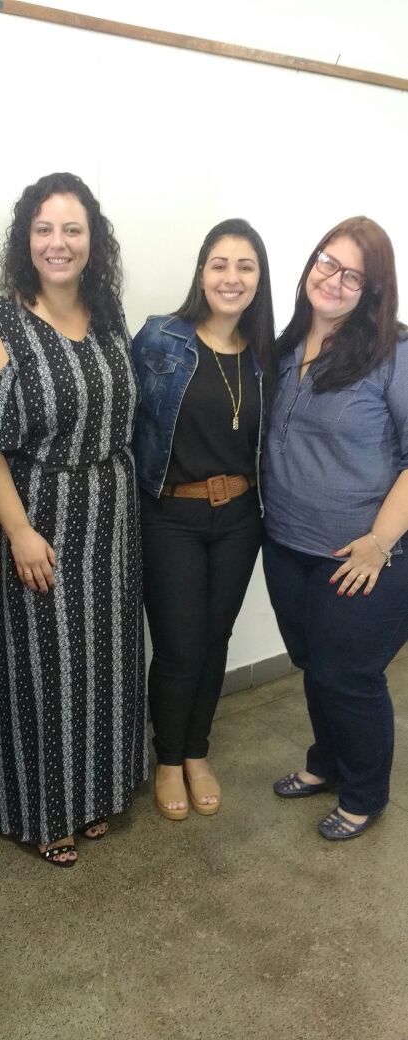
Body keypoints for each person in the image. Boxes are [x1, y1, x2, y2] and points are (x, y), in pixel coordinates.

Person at [0, 172, 146, 867]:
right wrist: (17, 531)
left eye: (72, 229)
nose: (58, 242)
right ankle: (42, 811)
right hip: (37, 519)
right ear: (25, 239)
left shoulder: (108, 317)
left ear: (93, 240)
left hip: (110, 518)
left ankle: (96, 794)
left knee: (104, 663)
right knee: (43, 670)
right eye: (44, 229)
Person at [263, 216, 408, 841]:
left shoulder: (394, 353)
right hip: (287, 543)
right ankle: (326, 762)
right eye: (328, 262)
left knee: (348, 676)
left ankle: (365, 792)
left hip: (361, 552)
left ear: (372, 290)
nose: (335, 280)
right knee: (314, 665)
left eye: (354, 275)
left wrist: (379, 543)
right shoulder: (287, 344)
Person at [132, 218, 275, 820]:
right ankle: (167, 759)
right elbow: (124, 420)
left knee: (215, 640)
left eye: (245, 266)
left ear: (259, 279)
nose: (231, 277)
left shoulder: (268, 355)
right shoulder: (161, 337)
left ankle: (196, 752)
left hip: (241, 517)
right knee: (178, 646)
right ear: (201, 272)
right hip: (171, 515)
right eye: (220, 264)